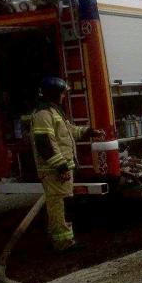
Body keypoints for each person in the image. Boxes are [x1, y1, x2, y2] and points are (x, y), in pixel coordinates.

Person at [30, 76, 104, 251]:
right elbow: (44, 143)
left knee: (62, 205)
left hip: (60, 169)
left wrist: (89, 132)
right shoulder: (43, 115)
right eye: (62, 93)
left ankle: (60, 238)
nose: (64, 96)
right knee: (60, 206)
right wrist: (61, 166)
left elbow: (69, 132)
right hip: (54, 171)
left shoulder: (54, 112)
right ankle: (63, 243)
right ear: (54, 93)